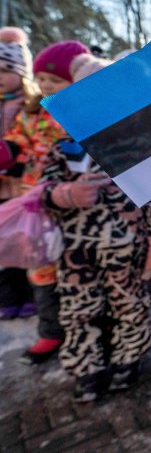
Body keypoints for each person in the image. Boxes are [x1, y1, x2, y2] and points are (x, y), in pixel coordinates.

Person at [40, 53, 151, 402]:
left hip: (124, 245)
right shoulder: (61, 147)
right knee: (77, 308)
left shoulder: (136, 144)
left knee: (128, 302)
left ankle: (128, 359)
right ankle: (88, 367)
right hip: (75, 247)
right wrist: (65, 194)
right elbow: (43, 191)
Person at [1, 40, 89, 365]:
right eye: (42, 80)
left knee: (75, 270)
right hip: (34, 203)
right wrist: (8, 150)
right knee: (40, 267)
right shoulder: (32, 111)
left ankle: (84, 329)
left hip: (73, 203)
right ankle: (50, 331)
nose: (47, 86)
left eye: (55, 80)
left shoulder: (79, 113)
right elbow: (19, 141)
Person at [0, 27, 36, 320]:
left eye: (4, 69)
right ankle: (8, 296)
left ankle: (31, 295)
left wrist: (18, 160)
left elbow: (32, 139)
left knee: (26, 240)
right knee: (4, 241)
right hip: (2, 189)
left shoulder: (29, 105)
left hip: (24, 186)